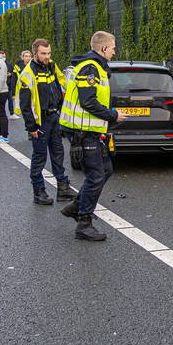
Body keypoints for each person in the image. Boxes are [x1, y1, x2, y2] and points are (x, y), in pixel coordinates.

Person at [58, 31, 127, 241]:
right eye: (113, 48)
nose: (115, 52)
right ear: (104, 48)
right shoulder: (90, 68)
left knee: (105, 170)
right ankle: (83, 223)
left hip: (91, 130)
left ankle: (76, 207)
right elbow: (88, 101)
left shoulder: (96, 67)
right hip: (83, 131)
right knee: (96, 175)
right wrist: (113, 115)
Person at [18, 38, 74, 205]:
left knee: (58, 153)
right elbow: (25, 104)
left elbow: (64, 84)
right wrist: (31, 126)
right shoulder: (28, 73)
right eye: (43, 53)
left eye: (49, 53)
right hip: (40, 121)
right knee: (39, 157)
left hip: (54, 117)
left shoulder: (51, 66)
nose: (47, 56)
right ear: (35, 53)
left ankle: (63, 188)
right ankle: (39, 191)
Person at [10, 50, 31, 120]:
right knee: (24, 108)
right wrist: (13, 93)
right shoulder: (18, 66)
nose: (28, 58)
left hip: (31, 89)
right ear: (22, 57)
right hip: (21, 89)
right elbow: (14, 79)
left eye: (29, 56)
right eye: (26, 56)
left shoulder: (33, 65)